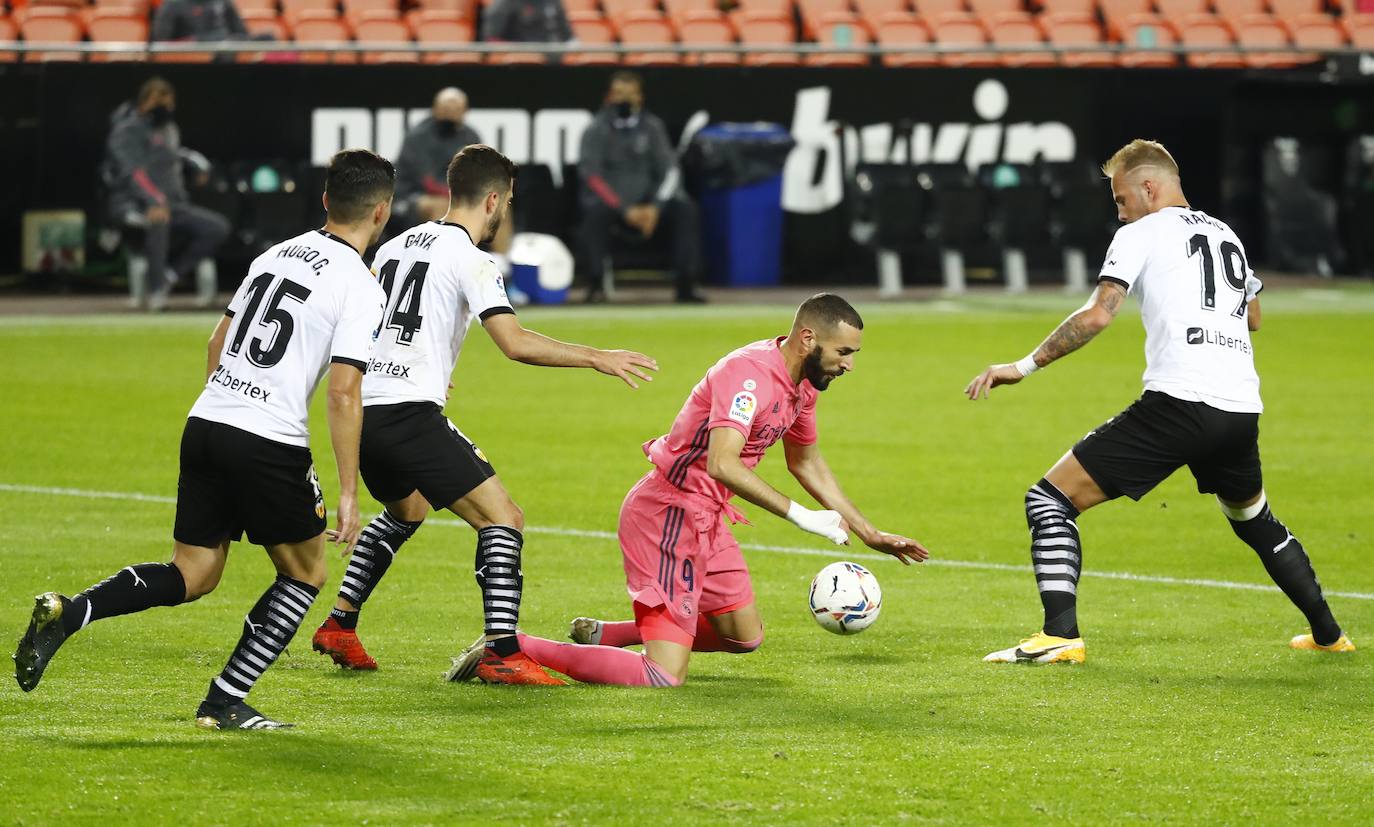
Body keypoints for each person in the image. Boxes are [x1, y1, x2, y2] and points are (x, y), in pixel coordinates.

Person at [13, 150, 394, 729]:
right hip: (268, 439)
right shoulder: (361, 286)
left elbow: (216, 345)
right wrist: (348, 491)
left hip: (208, 420)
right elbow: (343, 393)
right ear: (382, 212)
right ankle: (223, 702)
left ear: (325, 200)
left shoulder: (275, 254)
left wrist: (229, 408)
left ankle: (71, 613)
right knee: (306, 573)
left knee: (194, 574)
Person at [965, 139, 1354, 665]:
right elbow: (1254, 317)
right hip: (1239, 407)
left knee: (1049, 500)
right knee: (1254, 520)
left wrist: (1022, 366)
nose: (1119, 211)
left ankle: (1060, 635)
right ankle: (1330, 635)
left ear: (1149, 189)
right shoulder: (1227, 235)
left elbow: (1099, 314)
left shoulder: (1140, 231)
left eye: (1122, 199)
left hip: (1179, 403)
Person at [446, 294, 929, 687]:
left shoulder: (802, 386)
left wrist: (868, 531)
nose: (849, 364)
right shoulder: (749, 376)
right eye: (844, 352)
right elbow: (722, 462)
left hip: (708, 517)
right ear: (808, 338)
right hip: (668, 514)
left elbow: (806, 461)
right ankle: (512, 645)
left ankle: (609, 634)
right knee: (663, 675)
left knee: (743, 637)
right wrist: (802, 516)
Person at [308, 144, 659, 684]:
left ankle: (340, 622)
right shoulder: (472, 259)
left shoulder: (396, 246)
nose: (504, 214)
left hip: (366, 410)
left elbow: (373, 322)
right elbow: (513, 342)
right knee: (503, 517)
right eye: (507, 203)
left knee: (408, 510)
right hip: (407, 413)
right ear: (493, 199)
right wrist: (597, 356)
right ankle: (502, 651)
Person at [104, 77, 231, 311]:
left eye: (168, 103)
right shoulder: (126, 130)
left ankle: (169, 275)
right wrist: (154, 200)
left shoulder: (169, 128)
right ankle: (156, 292)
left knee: (217, 227)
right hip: (132, 205)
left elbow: (174, 155)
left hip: (173, 204)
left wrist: (198, 164)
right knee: (159, 219)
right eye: (158, 102)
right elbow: (133, 172)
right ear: (143, 103)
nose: (164, 108)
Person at [578, 71, 704, 304]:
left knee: (685, 209)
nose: (624, 100)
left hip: (650, 207)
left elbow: (670, 171)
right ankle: (595, 284)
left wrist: (655, 207)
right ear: (609, 97)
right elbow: (592, 176)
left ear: (640, 98)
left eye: (630, 94)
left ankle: (686, 285)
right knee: (595, 213)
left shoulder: (653, 128)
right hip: (613, 206)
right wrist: (625, 209)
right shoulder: (596, 129)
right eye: (618, 94)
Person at [392, 88, 483, 231]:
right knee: (441, 205)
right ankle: (440, 252)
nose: (450, 113)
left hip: (453, 194)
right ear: (435, 109)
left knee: (492, 206)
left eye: (456, 109)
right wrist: (460, 196)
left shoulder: (470, 136)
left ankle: (501, 254)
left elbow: (478, 175)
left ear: (465, 111)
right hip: (412, 196)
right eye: (446, 108)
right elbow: (428, 182)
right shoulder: (419, 137)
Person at [479, 0, 572, 44]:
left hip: (552, 60)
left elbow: (566, 36)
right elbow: (492, 38)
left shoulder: (552, 2)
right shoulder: (504, 4)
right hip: (516, 65)